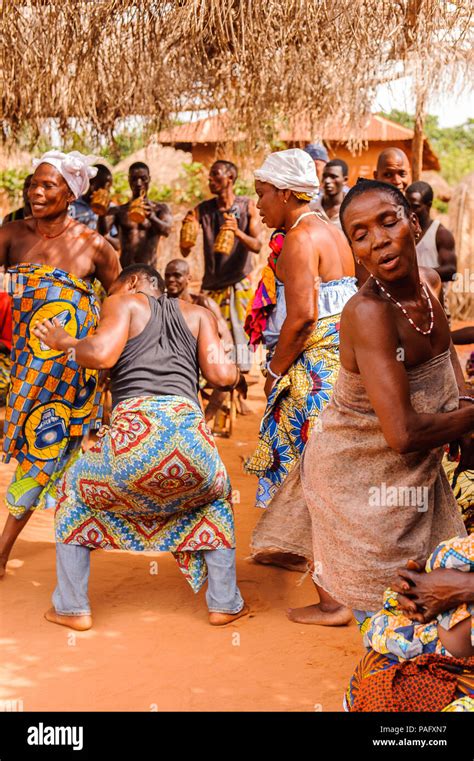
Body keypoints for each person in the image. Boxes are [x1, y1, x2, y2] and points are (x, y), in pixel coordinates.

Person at [281, 178, 473, 628]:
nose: (378, 240)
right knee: (396, 619)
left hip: (417, 472)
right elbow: (403, 434)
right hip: (361, 481)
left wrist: (462, 409)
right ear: (353, 249)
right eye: (360, 234)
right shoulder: (368, 314)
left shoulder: (428, 284)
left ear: (415, 223)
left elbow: (447, 363)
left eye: (388, 222)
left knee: (442, 613)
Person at [32, 264, 249, 630]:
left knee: (73, 491)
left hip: (134, 443)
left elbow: (100, 355)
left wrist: (64, 342)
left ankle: (72, 608)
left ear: (132, 283)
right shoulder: (199, 315)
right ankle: (224, 602)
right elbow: (224, 377)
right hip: (191, 444)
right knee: (217, 495)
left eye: (113, 290)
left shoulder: (125, 303)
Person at [0, 149, 121, 578]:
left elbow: (120, 302)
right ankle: (88, 530)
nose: (35, 191)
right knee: (54, 457)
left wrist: (103, 362)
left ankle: (4, 548)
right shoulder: (11, 234)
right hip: (23, 370)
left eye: (47, 185)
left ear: (69, 194)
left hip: (71, 373)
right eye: (33, 183)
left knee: (43, 454)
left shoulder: (94, 246)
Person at [245, 149, 357, 583]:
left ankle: (330, 593)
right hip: (339, 367)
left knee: (311, 469)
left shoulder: (298, 239)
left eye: (263, 194)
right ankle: (295, 551)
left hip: (315, 375)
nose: (258, 205)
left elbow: (304, 316)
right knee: (314, 465)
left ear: (287, 194)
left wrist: (274, 370)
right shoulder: (332, 232)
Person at [345, 535, 474, 712]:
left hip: (454, 656)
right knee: (378, 678)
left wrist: (461, 586)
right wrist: (428, 579)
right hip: (437, 644)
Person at [180, 160, 262, 374]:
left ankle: (239, 386)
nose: (210, 179)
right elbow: (185, 251)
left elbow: (257, 245)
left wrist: (237, 232)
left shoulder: (247, 206)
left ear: (230, 178)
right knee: (210, 336)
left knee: (240, 336)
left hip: (238, 281)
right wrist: (185, 232)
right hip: (212, 284)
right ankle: (218, 383)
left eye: (216, 175)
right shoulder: (202, 210)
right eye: (210, 175)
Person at [99, 161, 172, 269]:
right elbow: (103, 232)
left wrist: (151, 217)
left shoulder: (159, 209)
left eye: (143, 178)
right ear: (128, 180)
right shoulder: (119, 210)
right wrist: (101, 213)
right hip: (125, 270)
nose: (138, 183)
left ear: (149, 179)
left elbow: (167, 230)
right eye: (134, 179)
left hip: (149, 271)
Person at [406, 180, 457, 282]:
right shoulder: (404, 232)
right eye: (407, 206)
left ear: (429, 205)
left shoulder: (441, 234)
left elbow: (452, 272)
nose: (410, 211)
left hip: (434, 296)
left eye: (415, 207)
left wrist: (416, 274)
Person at [69, 163, 119, 251]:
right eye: (103, 186)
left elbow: (116, 244)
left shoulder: (111, 209)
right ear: (92, 184)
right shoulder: (73, 205)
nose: (106, 191)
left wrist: (102, 213)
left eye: (108, 188)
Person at [310, 158, 349, 228]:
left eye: (333, 176)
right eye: (325, 176)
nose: (327, 181)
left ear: (345, 180)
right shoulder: (311, 209)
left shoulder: (351, 211)